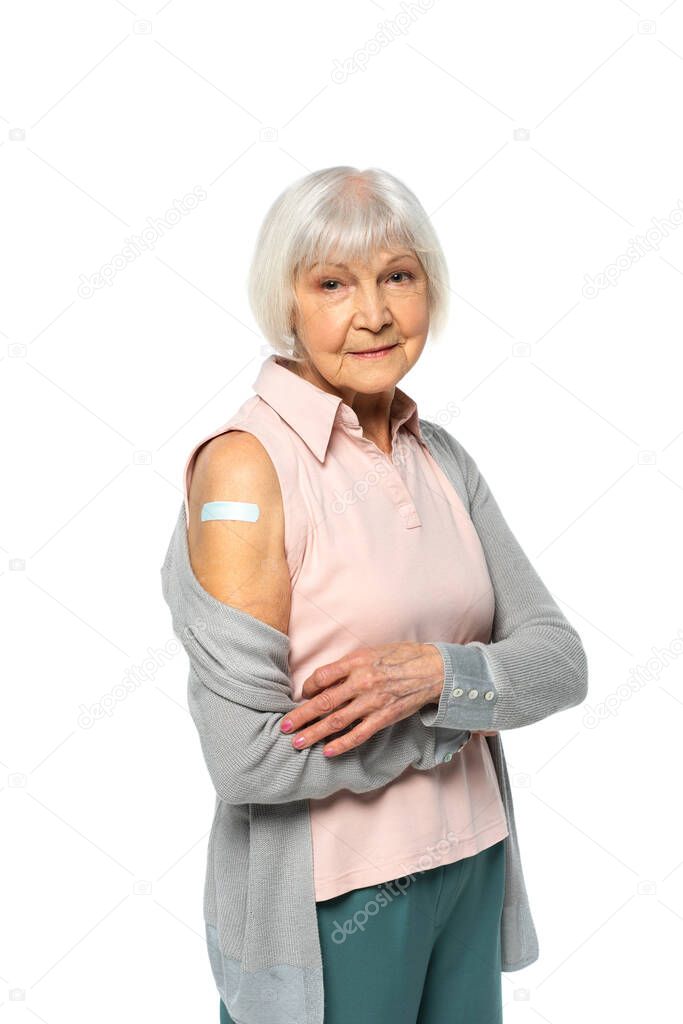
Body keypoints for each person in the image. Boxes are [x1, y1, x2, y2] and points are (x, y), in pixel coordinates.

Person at [176, 165, 588, 1024]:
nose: (374, 314)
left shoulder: (436, 455)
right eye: (333, 283)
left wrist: (438, 675)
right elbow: (245, 757)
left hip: (471, 861)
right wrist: (444, 731)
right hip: (332, 898)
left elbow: (559, 661)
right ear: (285, 303)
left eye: (397, 276)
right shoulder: (247, 468)